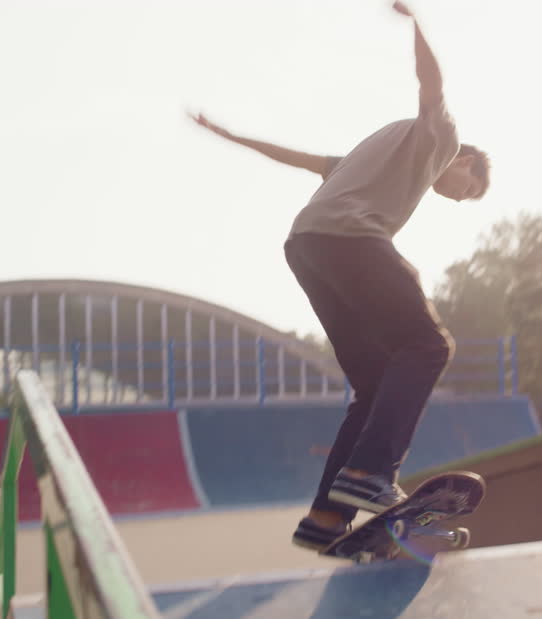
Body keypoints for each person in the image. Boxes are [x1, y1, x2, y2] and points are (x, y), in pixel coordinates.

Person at [188, 0, 490, 551]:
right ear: (466, 162)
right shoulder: (441, 138)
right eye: (464, 190)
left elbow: (295, 157)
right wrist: (417, 23)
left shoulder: (362, 155)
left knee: (373, 383)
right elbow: (431, 83)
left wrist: (227, 135)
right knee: (429, 345)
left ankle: (326, 517)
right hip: (349, 240)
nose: (453, 197)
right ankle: (372, 472)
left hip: (305, 247)